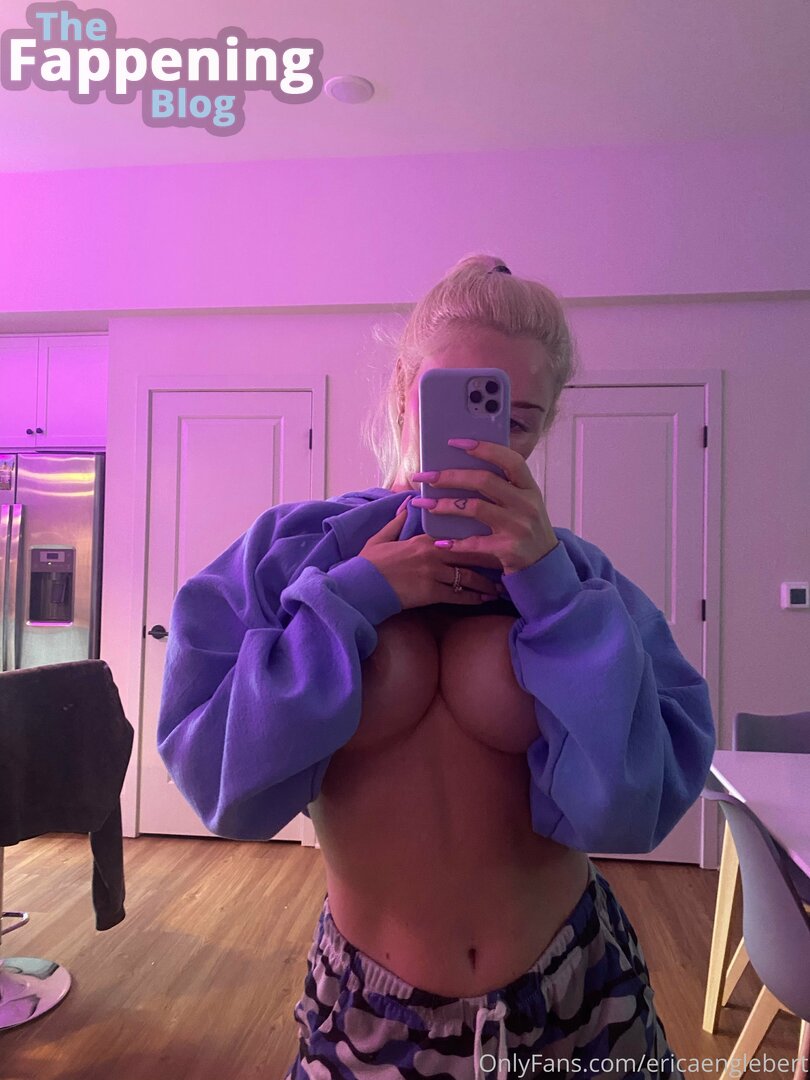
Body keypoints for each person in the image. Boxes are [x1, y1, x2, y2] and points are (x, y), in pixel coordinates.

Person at [156, 254, 716, 1079]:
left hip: (579, 995)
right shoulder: (290, 553)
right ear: (401, 389)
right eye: (459, 405)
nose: (487, 443)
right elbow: (220, 786)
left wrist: (550, 592)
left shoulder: (583, 583)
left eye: (516, 422)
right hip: (367, 1012)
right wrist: (354, 596)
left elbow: (630, 812)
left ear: (545, 424)